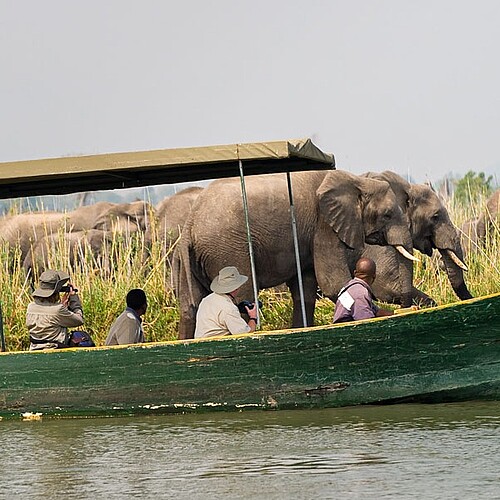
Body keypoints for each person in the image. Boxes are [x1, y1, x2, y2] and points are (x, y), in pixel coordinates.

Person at [26, 269, 84, 350]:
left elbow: (51, 315)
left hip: (34, 349)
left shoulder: (30, 307)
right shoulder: (58, 310)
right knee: (84, 338)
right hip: (54, 351)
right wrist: (74, 299)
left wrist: (62, 306)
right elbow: (79, 320)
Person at [194, 266, 258, 339]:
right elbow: (245, 335)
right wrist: (253, 317)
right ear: (236, 288)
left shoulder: (206, 300)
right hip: (217, 347)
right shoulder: (228, 308)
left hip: (201, 344)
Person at [333, 257, 394, 323]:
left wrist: (395, 313)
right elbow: (367, 323)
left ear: (355, 273)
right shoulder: (360, 294)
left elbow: (376, 311)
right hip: (346, 331)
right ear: (374, 276)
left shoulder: (351, 287)